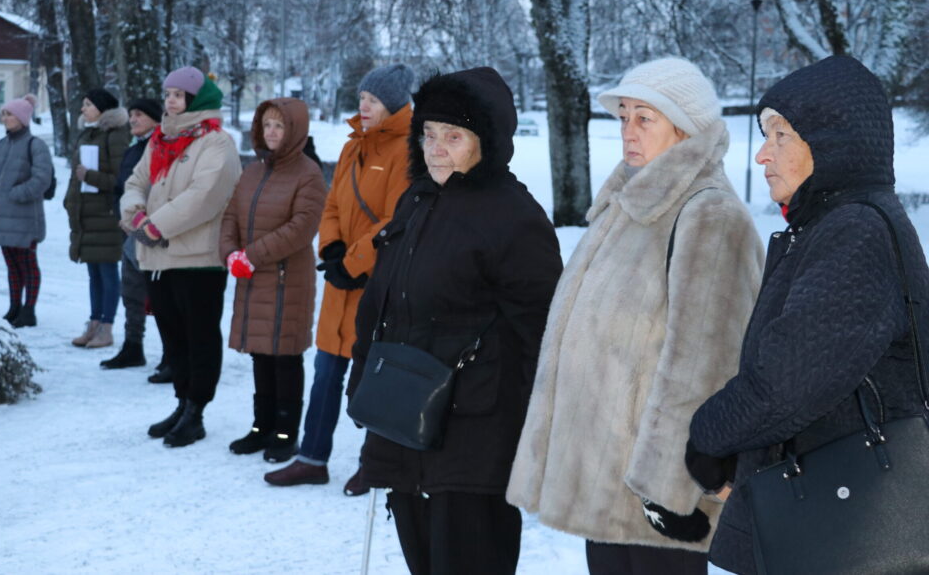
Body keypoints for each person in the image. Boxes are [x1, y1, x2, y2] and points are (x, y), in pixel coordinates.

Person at [506, 57, 764, 575]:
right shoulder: (627, 206)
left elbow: (707, 367)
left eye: (645, 118)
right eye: (624, 116)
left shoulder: (709, 215)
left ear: (684, 127)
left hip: (657, 499)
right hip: (606, 488)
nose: (628, 130)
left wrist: (669, 490)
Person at [686, 55, 929, 575]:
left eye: (781, 136)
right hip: (824, 509)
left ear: (831, 142)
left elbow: (786, 383)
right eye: (765, 136)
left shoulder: (855, 232)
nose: (762, 155)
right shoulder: (832, 225)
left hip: (848, 524)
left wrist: (707, 436)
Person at [346, 67, 563, 574]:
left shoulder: (515, 217)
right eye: (428, 134)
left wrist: (536, 436)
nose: (436, 149)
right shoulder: (416, 200)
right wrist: (362, 377)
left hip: (476, 440)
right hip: (403, 423)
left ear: (487, 141)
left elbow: (544, 337)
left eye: (453, 136)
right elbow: (380, 305)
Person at [264, 63, 415, 493]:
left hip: (375, 287)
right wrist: (331, 249)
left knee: (374, 382)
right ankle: (312, 458)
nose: (363, 106)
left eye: (373, 100)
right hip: (339, 286)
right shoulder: (353, 146)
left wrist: (354, 264)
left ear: (393, 104)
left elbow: (395, 220)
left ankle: (374, 464)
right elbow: (332, 204)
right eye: (362, 98)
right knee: (326, 376)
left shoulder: (407, 152)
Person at [120, 66, 241, 448]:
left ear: (196, 99)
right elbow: (136, 181)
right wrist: (135, 214)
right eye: (168, 94)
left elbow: (205, 196)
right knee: (173, 337)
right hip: (158, 256)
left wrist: (155, 226)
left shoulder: (216, 143)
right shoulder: (160, 139)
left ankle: (196, 411)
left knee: (199, 337)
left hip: (198, 259)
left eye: (178, 95)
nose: (170, 100)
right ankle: (182, 402)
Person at [220, 98, 327, 462]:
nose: (271, 132)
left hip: (286, 280)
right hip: (251, 277)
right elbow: (231, 216)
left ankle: (285, 433)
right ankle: (261, 426)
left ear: (295, 130)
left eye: (279, 126)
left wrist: (251, 254)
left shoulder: (308, 174)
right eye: (266, 125)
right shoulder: (253, 171)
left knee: (285, 356)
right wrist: (230, 252)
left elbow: (301, 228)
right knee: (260, 354)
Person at [64, 88, 130, 349]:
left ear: (103, 108)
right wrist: (69, 201)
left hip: (106, 215)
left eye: (88, 104)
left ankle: (107, 327)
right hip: (87, 214)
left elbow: (121, 179)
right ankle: (93, 323)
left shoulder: (116, 135)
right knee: (93, 272)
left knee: (107, 271)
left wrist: (90, 177)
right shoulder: (88, 133)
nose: (83, 109)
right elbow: (76, 175)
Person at [101, 98, 163, 370]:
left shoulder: (161, 148)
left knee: (161, 297)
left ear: (155, 119)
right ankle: (133, 346)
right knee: (131, 292)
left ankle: (171, 354)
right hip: (130, 232)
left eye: (140, 115)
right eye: (132, 114)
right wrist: (123, 217)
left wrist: (143, 222)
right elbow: (121, 189)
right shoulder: (132, 150)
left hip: (155, 231)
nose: (133, 119)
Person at [0, 94, 53, 327]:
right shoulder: (0, 145)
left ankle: (29, 310)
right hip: (2, 217)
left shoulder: (35, 145)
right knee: (12, 265)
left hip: (25, 217)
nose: (5, 118)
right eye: (3, 114)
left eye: (9, 114)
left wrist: (16, 194)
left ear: (22, 118)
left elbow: (42, 178)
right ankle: (14, 307)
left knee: (28, 264)